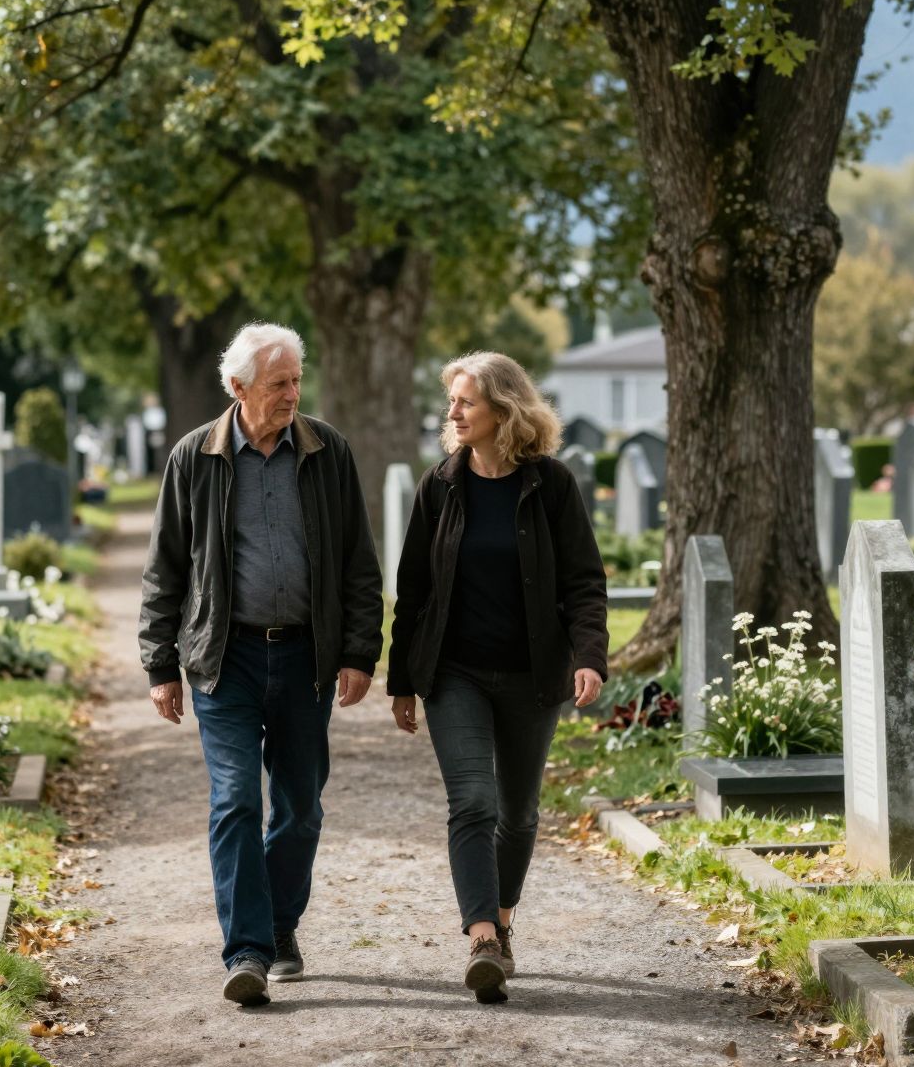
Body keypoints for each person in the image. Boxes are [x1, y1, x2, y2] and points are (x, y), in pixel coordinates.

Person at [139, 322, 383, 1008]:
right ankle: (247, 950)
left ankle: (281, 926)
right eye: (279, 384)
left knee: (301, 808)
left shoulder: (327, 451)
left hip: (307, 656)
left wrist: (360, 651)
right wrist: (160, 664)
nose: (292, 395)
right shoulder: (195, 457)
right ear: (238, 387)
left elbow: (358, 561)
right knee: (237, 800)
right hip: (226, 659)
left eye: (297, 381)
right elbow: (165, 570)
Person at [388, 352, 609, 1003]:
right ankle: (483, 937)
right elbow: (415, 590)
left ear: (503, 411)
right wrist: (403, 680)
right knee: (475, 801)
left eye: (465, 403)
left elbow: (583, 582)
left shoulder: (551, 486)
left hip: (532, 674)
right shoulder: (441, 485)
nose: (452, 413)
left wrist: (588, 655)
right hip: (454, 673)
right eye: (452, 402)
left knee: (519, 813)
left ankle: (504, 919)